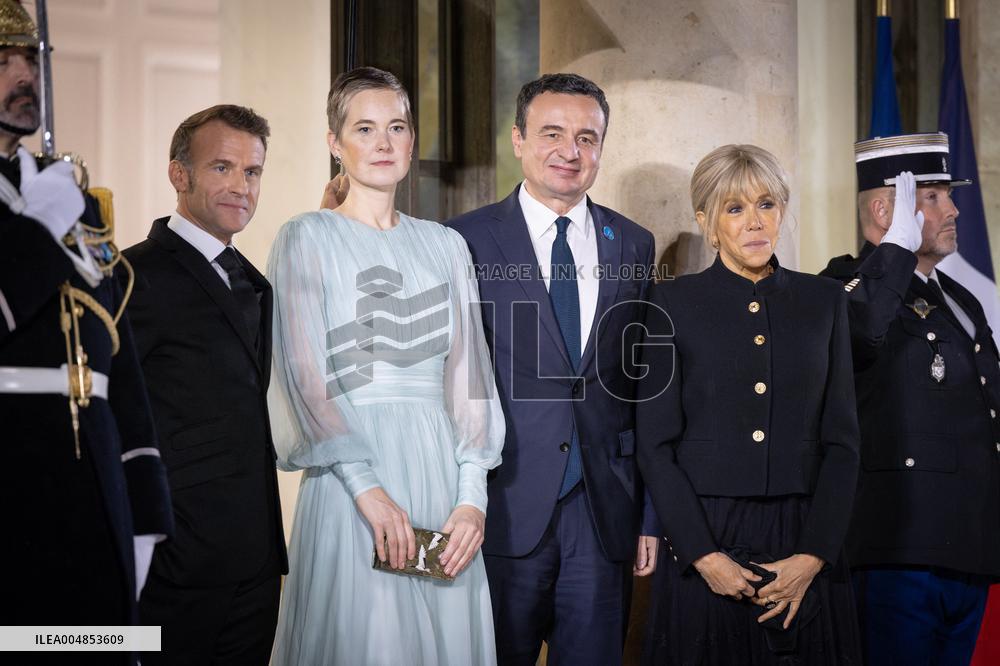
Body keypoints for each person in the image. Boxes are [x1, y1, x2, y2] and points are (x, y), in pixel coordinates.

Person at [268, 66, 504, 666]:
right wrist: (366, 489)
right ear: (334, 143)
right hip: (354, 485)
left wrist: (472, 497)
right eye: (364, 128)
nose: (382, 142)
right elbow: (304, 377)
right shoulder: (305, 237)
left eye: (396, 127)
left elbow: (469, 376)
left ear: (411, 139)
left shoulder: (446, 245)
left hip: (441, 483)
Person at [448, 72, 659, 666]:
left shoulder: (634, 243)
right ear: (518, 139)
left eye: (587, 137)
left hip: (603, 515)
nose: (571, 151)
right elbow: (450, 379)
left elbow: (642, 387)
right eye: (552, 133)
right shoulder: (463, 240)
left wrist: (650, 513)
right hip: (500, 507)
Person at [636, 144, 862, 664]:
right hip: (707, 533)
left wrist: (814, 555)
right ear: (707, 222)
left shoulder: (824, 302)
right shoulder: (670, 304)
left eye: (766, 204)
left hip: (805, 531)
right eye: (735, 209)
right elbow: (655, 445)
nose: (754, 222)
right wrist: (701, 555)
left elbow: (844, 443)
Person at [0, 1, 172, 663]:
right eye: (4, 60)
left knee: (96, 650)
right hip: (14, 478)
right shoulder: (48, 208)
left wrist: (146, 507)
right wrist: (35, 233)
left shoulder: (69, 196)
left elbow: (112, 358)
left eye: (32, 58)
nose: (26, 75)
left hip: (97, 481)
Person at [821, 132, 1000, 665]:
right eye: (933, 196)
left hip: (968, 543)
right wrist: (895, 252)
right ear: (885, 209)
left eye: (949, 194)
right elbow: (859, 334)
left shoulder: (960, 298)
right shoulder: (845, 285)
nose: (954, 209)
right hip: (897, 549)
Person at [123, 105, 286, 665]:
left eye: (252, 171)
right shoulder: (129, 278)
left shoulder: (254, 282)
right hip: (174, 566)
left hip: (258, 564)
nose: (241, 185)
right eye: (222, 167)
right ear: (179, 175)